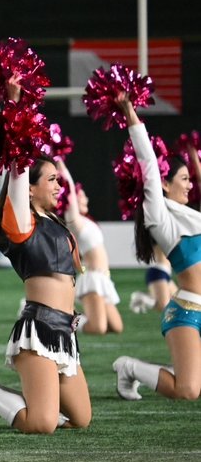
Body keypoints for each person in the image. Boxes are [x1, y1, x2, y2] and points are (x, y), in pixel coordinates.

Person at [0, 75, 90, 434]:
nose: (58, 185)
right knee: (42, 424)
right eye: (50, 180)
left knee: (81, 419)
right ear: (30, 189)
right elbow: (18, 166)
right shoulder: (21, 222)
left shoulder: (56, 223)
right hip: (39, 330)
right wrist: (14, 105)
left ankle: (38, 401)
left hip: (65, 331)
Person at [111, 96, 201, 402]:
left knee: (192, 380)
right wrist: (130, 112)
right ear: (164, 184)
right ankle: (130, 368)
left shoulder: (191, 216)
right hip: (186, 312)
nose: (190, 185)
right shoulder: (160, 217)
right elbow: (148, 163)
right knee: (187, 390)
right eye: (184, 179)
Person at [57, 161, 123, 334]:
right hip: (92, 278)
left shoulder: (87, 222)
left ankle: (67, 316)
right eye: (81, 196)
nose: (85, 199)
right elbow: (69, 192)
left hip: (103, 279)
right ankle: (61, 319)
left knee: (116, 327)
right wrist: (61, 164)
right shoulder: (75, 222)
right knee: (97, 327)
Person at [129, 247, 177, 314]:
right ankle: (142, 298)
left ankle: (147, 299)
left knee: (178, 303)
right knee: (164, 306)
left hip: (164, 271)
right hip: (159, 271)